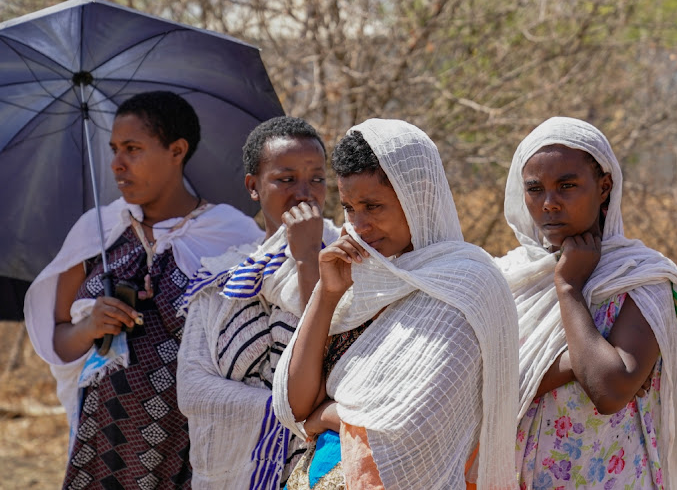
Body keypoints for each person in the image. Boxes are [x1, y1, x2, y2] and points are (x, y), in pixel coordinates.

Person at [24, 91, 262, 489]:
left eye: (133, 149)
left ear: (177, 150)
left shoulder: (231, 235)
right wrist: (88, 328)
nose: (117, 164)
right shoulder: (98, 231)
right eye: (115, 149)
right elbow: (60, 343)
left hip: (195, 448)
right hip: (104, 445)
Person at [273, 119, 519, 489]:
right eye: (350, 208)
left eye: (373, 206)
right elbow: (295, 403)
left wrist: (325, 416)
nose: (360, 225)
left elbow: (412, 431)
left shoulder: (468, 287)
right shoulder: (361, 280)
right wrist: (326, 296)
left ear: (417, 197)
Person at [496, 117, 677, 489]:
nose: (549, 203)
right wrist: (576, 365)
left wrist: (570, 288)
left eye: (567, 186)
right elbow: (482, 382)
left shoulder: (642, 278)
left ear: (604, 186)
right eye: (534, 189)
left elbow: (610, 389)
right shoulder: (511, 278)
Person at [176, 116, 341, 489]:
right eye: (286, 179)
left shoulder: (348, 258)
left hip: (318, 471)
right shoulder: (221, 277)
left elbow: (336, 357)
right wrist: (285, 413)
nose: (305, 192)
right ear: (253, 186)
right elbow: (193, 384)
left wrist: (307, 259)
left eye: (316, 178)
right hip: (232, 475)